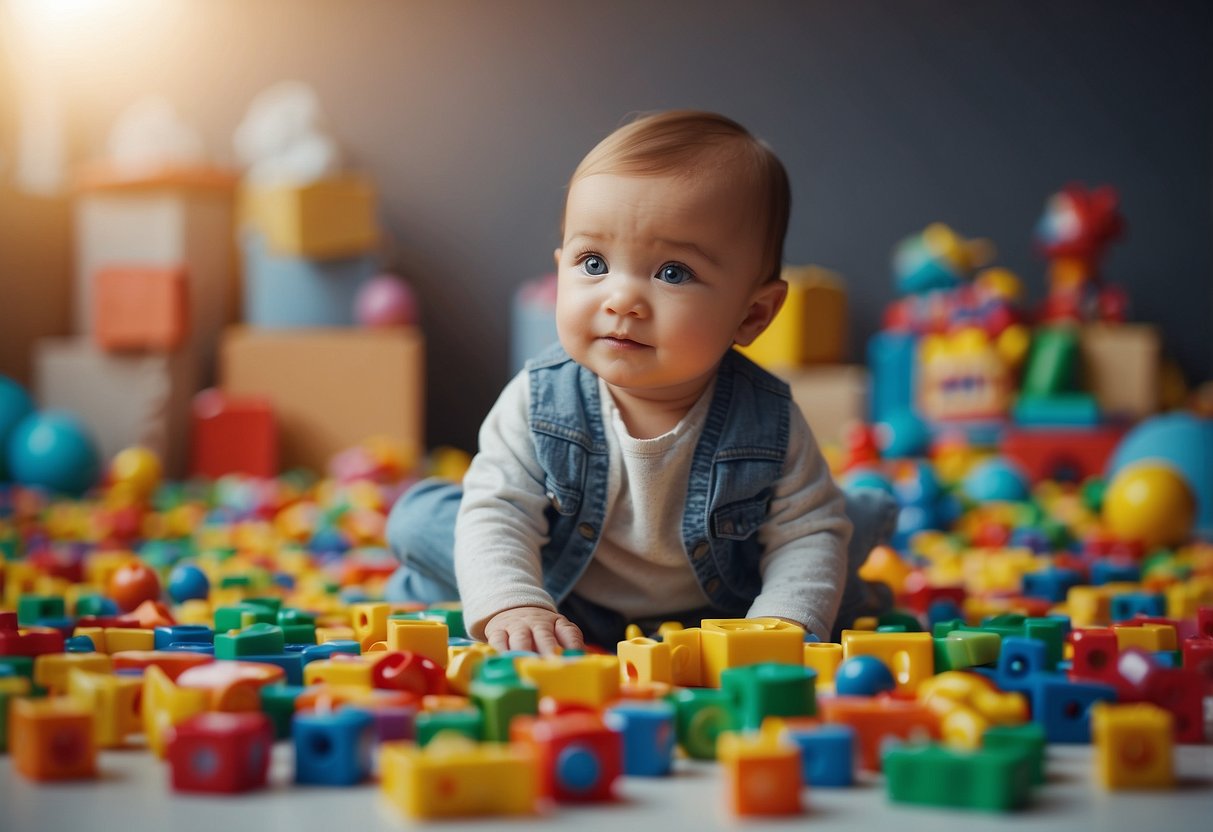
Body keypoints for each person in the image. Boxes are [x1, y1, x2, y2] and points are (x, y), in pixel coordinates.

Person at [385, 110, 896, 654]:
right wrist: (516, 602)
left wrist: (777, 628)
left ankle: (857, 516)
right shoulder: (539, 399)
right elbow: (499, 510)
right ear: (559, 269)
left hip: (720, 608)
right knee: (423, 520)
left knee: (824, 535)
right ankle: (474, 591)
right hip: (565, 598)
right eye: (593, 262)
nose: (620, 299)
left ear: (752, 315)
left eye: (672, 272)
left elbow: (802, 534)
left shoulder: (767, 418)